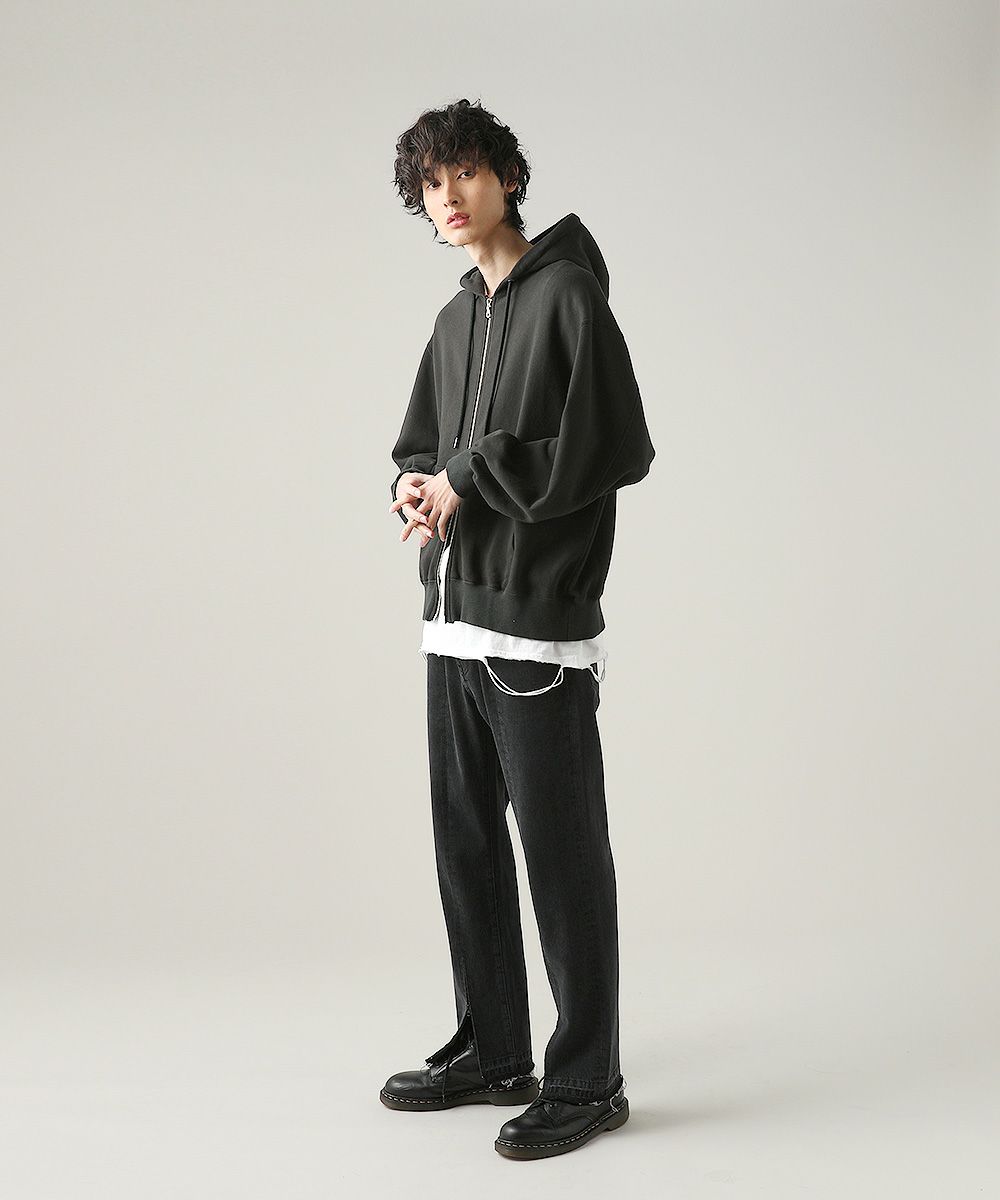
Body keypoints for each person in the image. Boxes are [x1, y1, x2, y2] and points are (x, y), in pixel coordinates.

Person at [382, 98, 655, 1160]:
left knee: (561, 853)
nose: (446, 197)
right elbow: (424, 444)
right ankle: (495, 1050)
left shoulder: (568, 296)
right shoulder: (455, 319)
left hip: (535, 631)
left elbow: (610, 447)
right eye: (429, 185)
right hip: (453, 620)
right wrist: (416, 487)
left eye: (463, 173)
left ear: (504, 176)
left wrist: (470, 473)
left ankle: (587, 1078)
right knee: (465, 846)